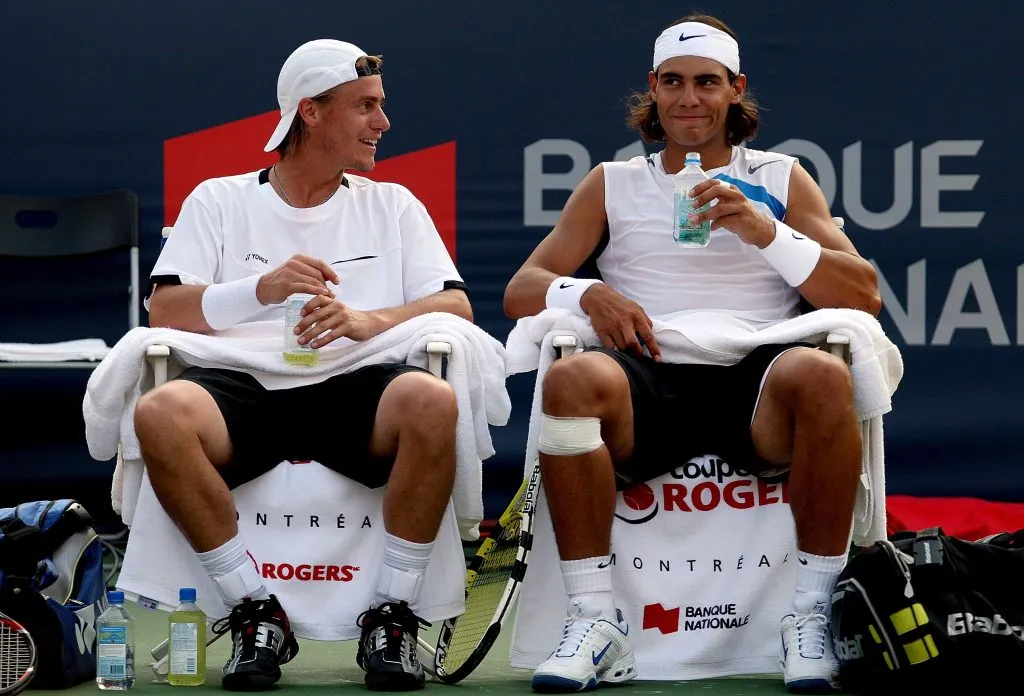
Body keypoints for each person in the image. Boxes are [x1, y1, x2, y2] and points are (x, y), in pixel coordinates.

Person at [503, 14, 882, 694]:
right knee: (570, 381)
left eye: (707, 82)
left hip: (758, 381)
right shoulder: (612, 182)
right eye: (673, 82)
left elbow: (863, 294)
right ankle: (595, 620)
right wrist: (589, 293)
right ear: (653, 88)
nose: (689, 99)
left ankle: (810, 614)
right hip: (646, 374)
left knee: (825, 376)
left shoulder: (782, 177)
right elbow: (522, 289)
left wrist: (766, 231)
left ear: (736, 89)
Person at [136, 39, 471, 692]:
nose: (383, 122)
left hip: (358, 387)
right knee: (160, 412)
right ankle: (252, 610)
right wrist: (258, 290)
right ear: (311, 112)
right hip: (243, 388)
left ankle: (392, 617)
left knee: (433, 399)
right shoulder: (218, 199)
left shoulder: (394, 204)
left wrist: (370, 321)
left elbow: (455, 305)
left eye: (380, 105)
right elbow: (165, 309)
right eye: (366, 106)